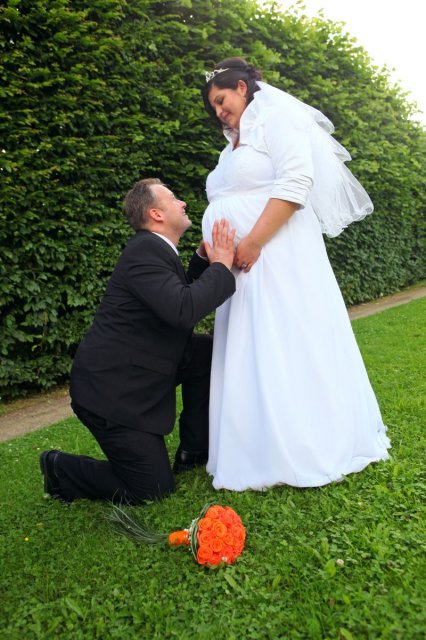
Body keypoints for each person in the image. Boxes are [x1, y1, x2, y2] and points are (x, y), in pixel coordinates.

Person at [201, 57, 390, 491]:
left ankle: (308, 445)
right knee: (251, 348)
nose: (219, 111)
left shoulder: (278, 121)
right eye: (213, 106)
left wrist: (252, 243)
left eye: (222, 100)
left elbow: (296, 182)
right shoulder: (230, 148)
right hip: (237, 271)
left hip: (276, 256)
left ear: (242, 88)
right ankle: (255, 447)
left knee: (286, 341)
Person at [39, 178, 236, 504]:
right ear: (156, 214)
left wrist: (202, 263)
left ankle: (193, 450)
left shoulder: (155, 249)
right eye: (174, 199)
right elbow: (183, 310)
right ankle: (60, 469)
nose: (183, 203)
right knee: (153, 489)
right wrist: (222, 266)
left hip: (145, 368)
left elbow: (172, 296)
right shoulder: (145, 250)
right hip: (113, 394)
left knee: (206, 353)